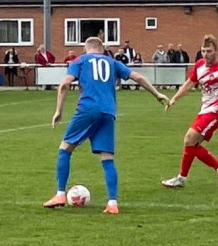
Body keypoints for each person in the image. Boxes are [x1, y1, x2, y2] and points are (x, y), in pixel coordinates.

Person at [45, 37, 168, 214]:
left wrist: (58, 111)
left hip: (87, 109)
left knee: (65, 149)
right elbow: (138, 76)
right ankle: (112, 203)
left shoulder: (80, 60)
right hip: (108, 112)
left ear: (86, 49)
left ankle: (60, 194)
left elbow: (64, 84)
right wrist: (157, 94)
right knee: (107, 158)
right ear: (102, 49)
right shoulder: (112, 62)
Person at [161, 35, 218, 189]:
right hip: (205, 110)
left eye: (209, 51)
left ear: (215, 51)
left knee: (189, 139)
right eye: (203, 51)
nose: (206, 54)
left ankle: (181, 178)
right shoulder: (199, 65)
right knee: (192, 143)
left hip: (217, 112)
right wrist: (174, 99)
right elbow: (189, 84)